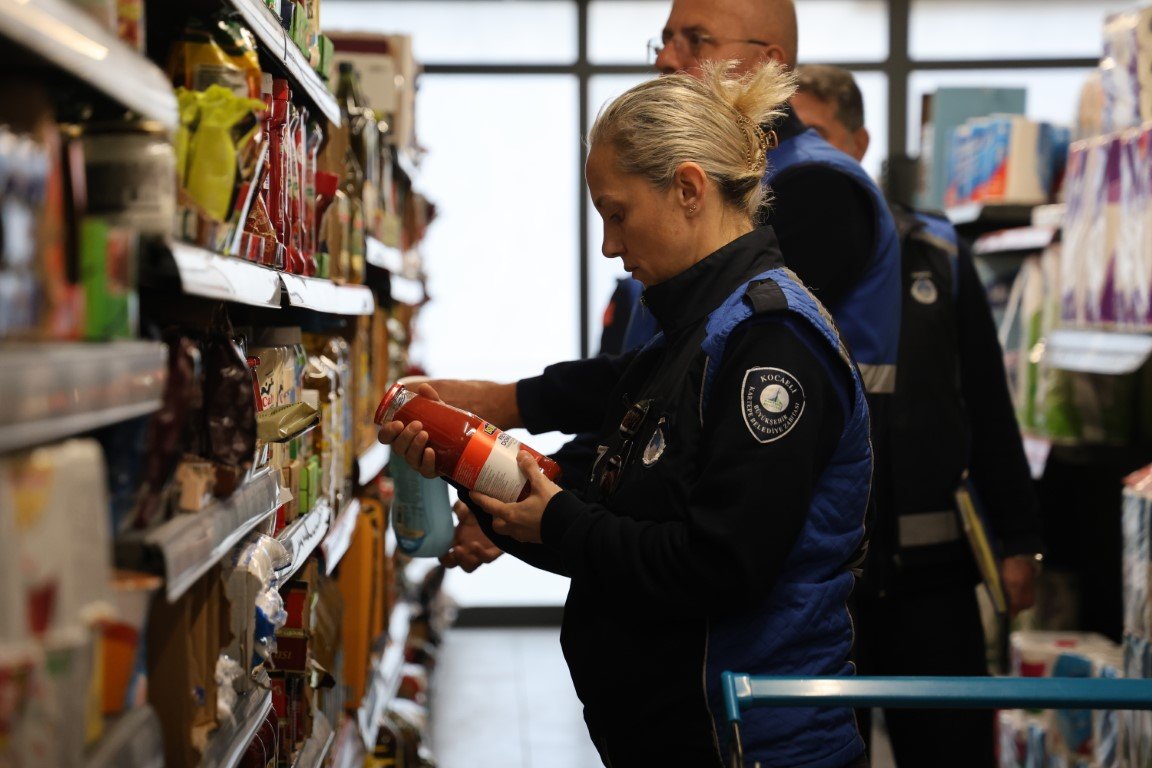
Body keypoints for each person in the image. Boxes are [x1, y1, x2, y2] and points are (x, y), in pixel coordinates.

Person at [382, 62, 872, 768]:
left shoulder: (772, 346)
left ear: (688, 188)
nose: (610, 244)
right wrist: (476, 477)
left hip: (747, 746)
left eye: (617, 213)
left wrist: (557, 520)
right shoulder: (692, 338)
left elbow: (718, 567)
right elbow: (599, 499)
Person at [431, 0, 903, 576]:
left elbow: (713, 556)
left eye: (695, 40)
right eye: (663, 39)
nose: (665, 58)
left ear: (689, 189)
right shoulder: (699, 310)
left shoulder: (785, 284)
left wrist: (532, 470)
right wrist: (492, 472)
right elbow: (635, 443)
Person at [792, 63, 1045, 767]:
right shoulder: (771, 263)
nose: (802, 159)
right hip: (818, 578)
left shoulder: (936, 252)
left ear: (859, 140)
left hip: (932, 577)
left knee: (949, 748)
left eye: (817, 136)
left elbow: (989, 405)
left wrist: (1019, 539)